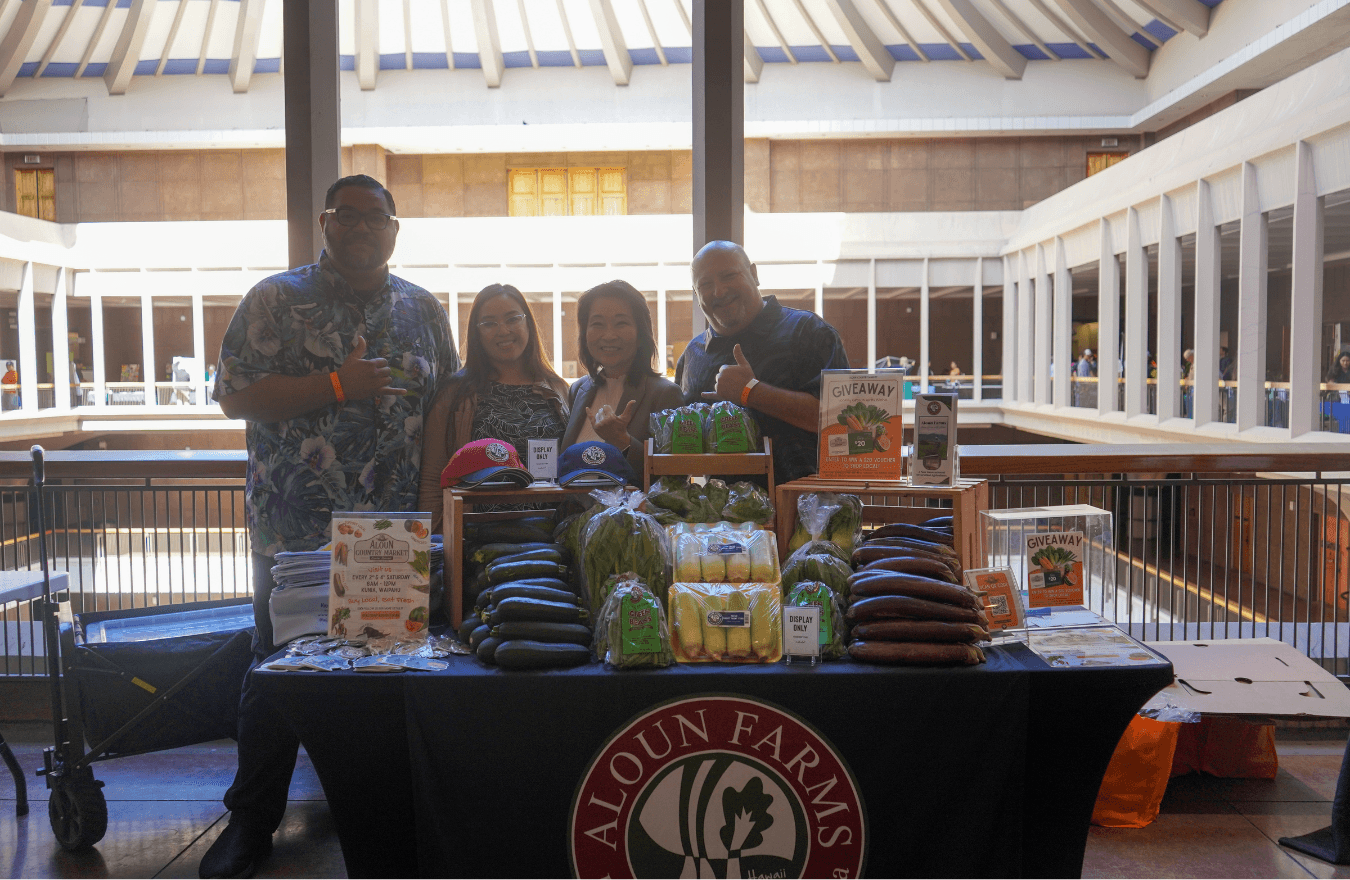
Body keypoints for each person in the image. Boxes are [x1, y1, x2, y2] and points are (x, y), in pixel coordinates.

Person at [203, 174, 457, 878]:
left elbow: (446, 405)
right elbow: (233, 394)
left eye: (375, 217)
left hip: (394, 531)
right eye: (347, 215)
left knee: (391, 672)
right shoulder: (276, 299)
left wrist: (438, 499)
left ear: (395, 229)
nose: (361, 227)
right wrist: (338, 385)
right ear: (325, 222)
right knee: (279, 672)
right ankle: (251, 823)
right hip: (296, 532)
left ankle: (383, 825)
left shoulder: (422, 309)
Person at [675, 240, 849, 484]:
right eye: (705, 284)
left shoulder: (808, 332)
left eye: (728, 276)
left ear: (754, 275)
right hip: (721, 519)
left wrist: (751, 391)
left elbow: (843, 421)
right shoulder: (692, 356)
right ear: (696, 293)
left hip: (810, 514)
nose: (719, 291)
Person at [418, 283, 568, 532]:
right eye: (489, 323)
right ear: (476, 333)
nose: (503, 331)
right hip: (478, 540)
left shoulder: (558, 389)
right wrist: (438, 543)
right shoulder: (454, 393)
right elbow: (434, 478)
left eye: (512, 319)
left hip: (551, 539)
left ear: (527, 323)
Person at [560, 280, 684, 476]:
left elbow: (674, 476)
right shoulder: (578, 389)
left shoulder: (665, 394)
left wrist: (623, 441)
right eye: (597, 324)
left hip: (632, 507)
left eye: (621, 323)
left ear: (640, 333)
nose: (609, 335)